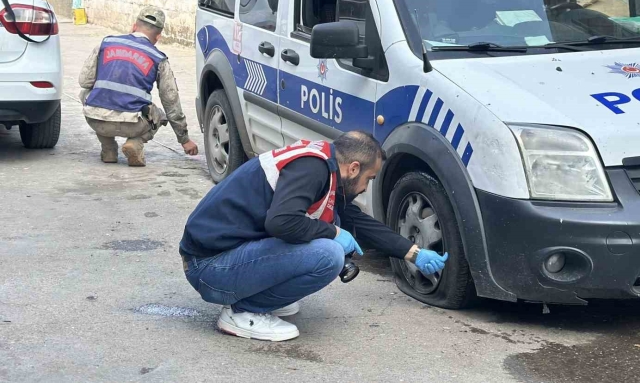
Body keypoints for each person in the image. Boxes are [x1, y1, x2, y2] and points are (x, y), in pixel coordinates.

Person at [179, 131, 449, 341]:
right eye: (369, 178)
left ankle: (256, 299)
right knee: (328, 255)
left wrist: (412, 252)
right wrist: (332, 232)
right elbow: (281, 222)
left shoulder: (323, 163)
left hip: (218, 258)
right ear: (353, 168)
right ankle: (243, 311)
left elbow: (358, 221)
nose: (366, 187)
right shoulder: (312, 168)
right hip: (208, 267)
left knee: (335, 224)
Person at [78, 6, 199, 166]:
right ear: (158, 37)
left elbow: (84, 81)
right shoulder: (158, 58)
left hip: (97, 120)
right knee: (161, 114)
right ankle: (135, 143)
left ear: (134, 26)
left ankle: (108, 148)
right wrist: (184, 140)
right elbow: (171, 102)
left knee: (86, 93)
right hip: (133, 124)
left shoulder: (106, 43)